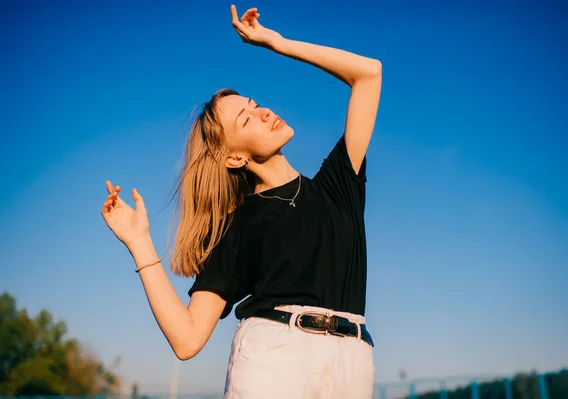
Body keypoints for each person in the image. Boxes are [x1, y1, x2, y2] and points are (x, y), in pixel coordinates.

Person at [100, 5, 382, 399]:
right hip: (274, 358)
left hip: (353, 362)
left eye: (255, 104)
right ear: (235, 158)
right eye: (246, 120)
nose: (264, 112)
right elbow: (187, 340)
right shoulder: (239, 225)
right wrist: (139, 242)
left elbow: (368, 73)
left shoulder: (338, 184)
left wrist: (276, 42)